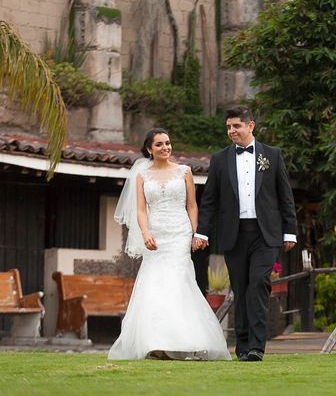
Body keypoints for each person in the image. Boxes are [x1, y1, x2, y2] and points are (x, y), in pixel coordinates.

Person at [108, 128, 231, 361]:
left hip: (179, 234)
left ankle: (187, 341)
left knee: (179, 281)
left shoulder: (184, 171)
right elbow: (141, 210)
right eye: (159, 144)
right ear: (149, 149)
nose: (165, 147)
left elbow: (192, 205)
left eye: (167, 143)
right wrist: (145, 233)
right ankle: (155, 342)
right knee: (154, 283)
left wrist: (197, 233)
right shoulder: (142, 177)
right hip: (155, 235)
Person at [193, 106, 297, 362]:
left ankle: (257, 347)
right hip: (234, 234)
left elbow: (285, 196)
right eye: (228, 127)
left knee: (258, 284)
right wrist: (202, 233)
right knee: (239, 289)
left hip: (265, 234)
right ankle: (242, 346)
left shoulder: (272, 155)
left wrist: (290, 232)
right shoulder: (220, 159)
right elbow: (209, 201)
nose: (232, 131)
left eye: (236, 126)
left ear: (250, 126)